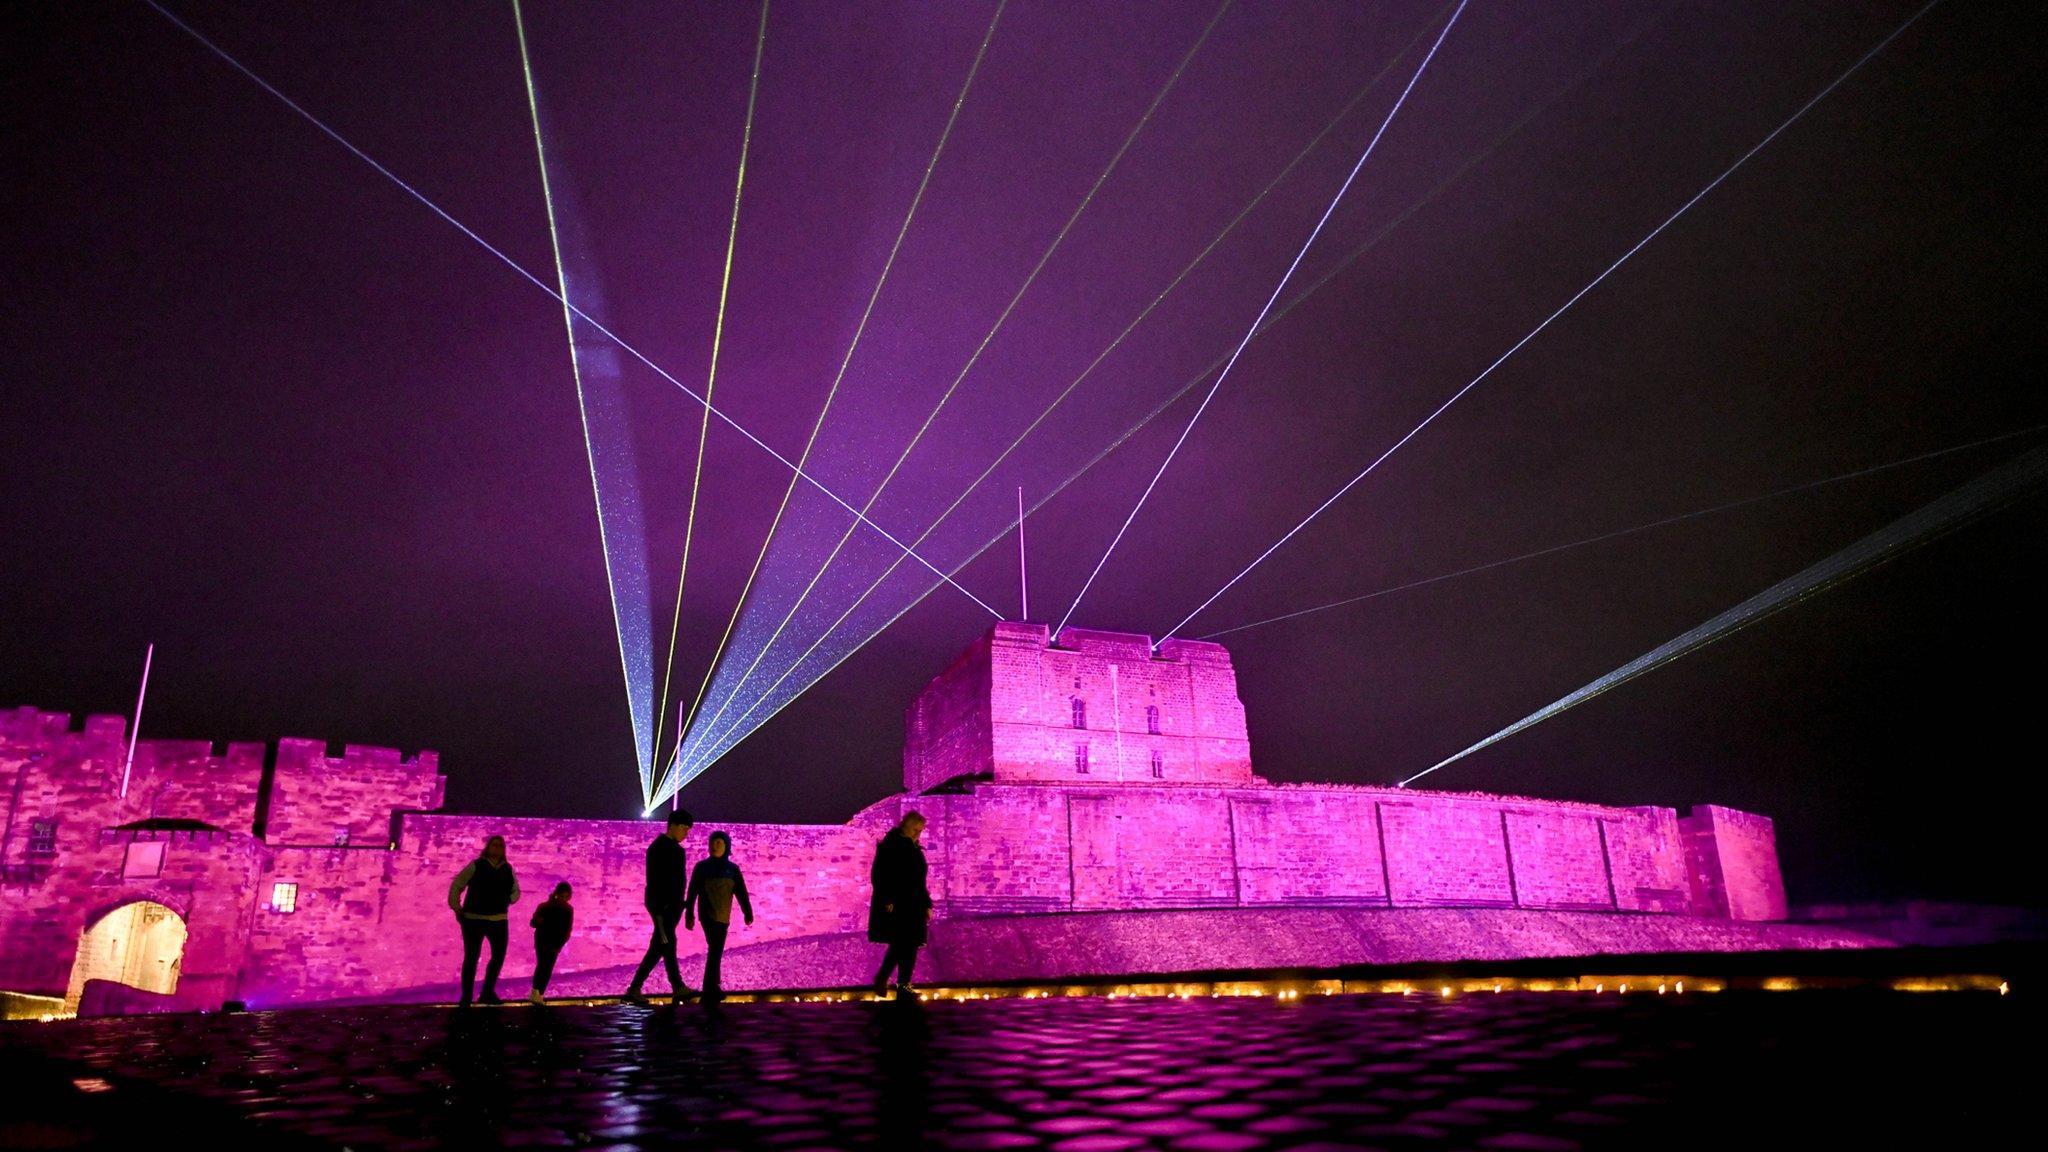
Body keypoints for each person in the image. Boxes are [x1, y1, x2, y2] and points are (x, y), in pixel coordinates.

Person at [624, 808, 697, 1004]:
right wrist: (660, 907)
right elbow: (657, 880)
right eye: (684, 828)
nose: (686, 834)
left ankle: (636, 988)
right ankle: (676, 986)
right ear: (673, 826)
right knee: (666, 944)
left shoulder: (668, 848)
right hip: (663, 908)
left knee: (659, 947)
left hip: (670, 907)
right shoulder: (660, 848)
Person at [448, 835, 521, 1006]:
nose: (496, 848)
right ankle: (466, 996)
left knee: (498, 956)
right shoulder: (476, 865)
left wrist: (507, 900)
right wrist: (456, 907)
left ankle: (487, 992)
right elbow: (458, 884)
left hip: (498, 919)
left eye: (500, 845)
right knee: (472, 957)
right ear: (488, 847)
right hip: (474, 919)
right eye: (494, 845)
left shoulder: (507, 869)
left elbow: (515, 890)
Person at [869, 811, 932, 999]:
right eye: (915, 829)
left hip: (914, 903)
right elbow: (880, 874)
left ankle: (901, 984)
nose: (917, 834)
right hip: (899, 902)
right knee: (902, 943)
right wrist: (887, 898)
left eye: (920, 831)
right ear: (905, 825)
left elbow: (920, 880)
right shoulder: (892, 845)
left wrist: (927, 904)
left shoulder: (913, 847)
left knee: (908, 944)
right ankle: (890, 981)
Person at [685, 831, 754, 1003]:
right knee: (715, 950)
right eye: (713, 843)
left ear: (726, 846)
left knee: (715, 951)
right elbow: (692, 891)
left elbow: (741, 892)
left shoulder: (733, 870)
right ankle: (710, 989)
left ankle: (712, 988)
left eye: (719, 843)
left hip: (723, 915)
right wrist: (689, 913)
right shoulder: (701, 868)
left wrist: (748, 911)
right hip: (707, 915)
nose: (715, 846)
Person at [528, 882, 574, 1004]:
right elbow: (533, 923)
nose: (563, 899)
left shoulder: (546, 907)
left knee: (543, 967)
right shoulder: (565, 909)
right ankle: (538, 994)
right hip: (547, 941)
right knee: (545, 967)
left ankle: (537, 993)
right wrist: (559, 945)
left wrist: (559, 945)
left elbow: (567, 930)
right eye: (562, 896)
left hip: (547, 941)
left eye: (565, 896)